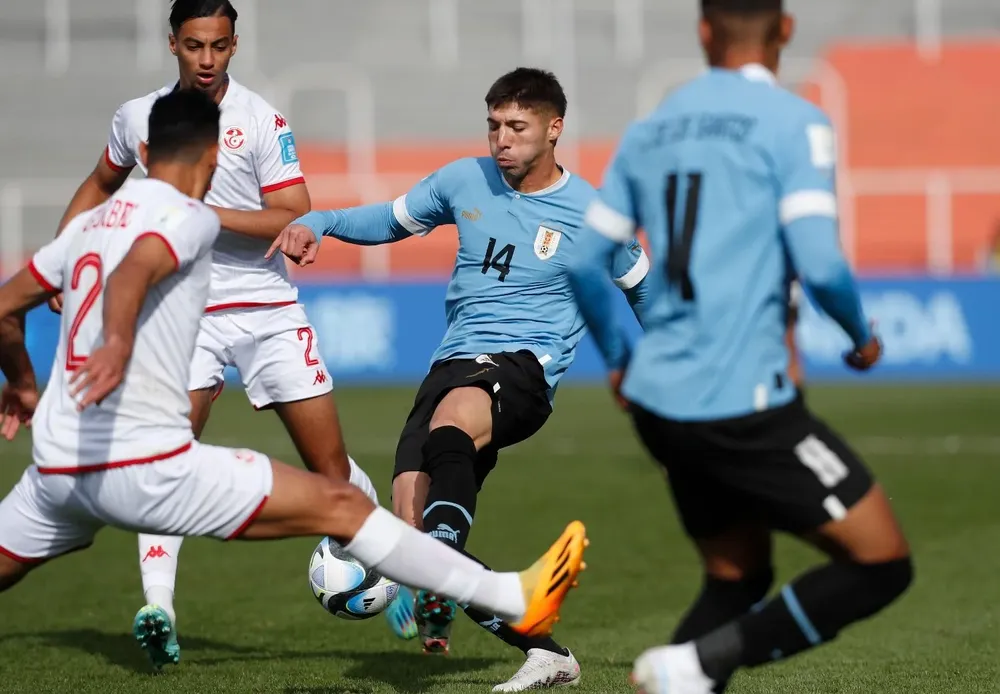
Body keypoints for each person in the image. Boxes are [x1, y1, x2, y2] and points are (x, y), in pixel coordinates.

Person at [0, 90, 587, 669]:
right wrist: (119, 337)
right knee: (340, 503)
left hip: (56, 467)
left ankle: (489, 614)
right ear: (212, 158)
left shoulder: (87, 226)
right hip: (147, 468)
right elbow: (139, 264)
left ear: (145, 153)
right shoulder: (189, 217)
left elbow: (7, 307)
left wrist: (23, 383)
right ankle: (513, 596)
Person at [568, 2, 913, 692]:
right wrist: (861, 336)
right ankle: (698, 662)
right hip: (744, 404)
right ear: (786, 29)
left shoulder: (650, 128)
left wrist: (619, 360)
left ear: (704, 31)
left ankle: (692, 666)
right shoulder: (795, 123)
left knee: (736, 579)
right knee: (881, 564)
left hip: (659, 403)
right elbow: (822, 265)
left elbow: (582, 261)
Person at [268, 68, 649, 691]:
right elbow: (391, 220)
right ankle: (547, 653)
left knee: (453, 424)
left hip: (525, 367)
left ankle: (442, 567)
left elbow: (643, 289)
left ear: (554, 129)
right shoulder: (462, 180)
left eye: (517, 127)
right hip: (451, 363)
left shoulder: (594, 213)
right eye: (494, 125)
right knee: (405, 535)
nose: (502, 139)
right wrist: (323, 220)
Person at [48, 0, 377, 666]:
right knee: (164, 455)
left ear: (234, 44)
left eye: (219, 46)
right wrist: (62, 258)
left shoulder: (260, 120)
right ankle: (159, 607)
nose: (207, 59)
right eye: (195, 45)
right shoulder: (138, 117)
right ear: (172, 43)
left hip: (266, 309)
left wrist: (198, 210)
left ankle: (387, 561)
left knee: (330, 470)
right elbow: (100, 182)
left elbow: (292, 212)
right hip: (184, 312)